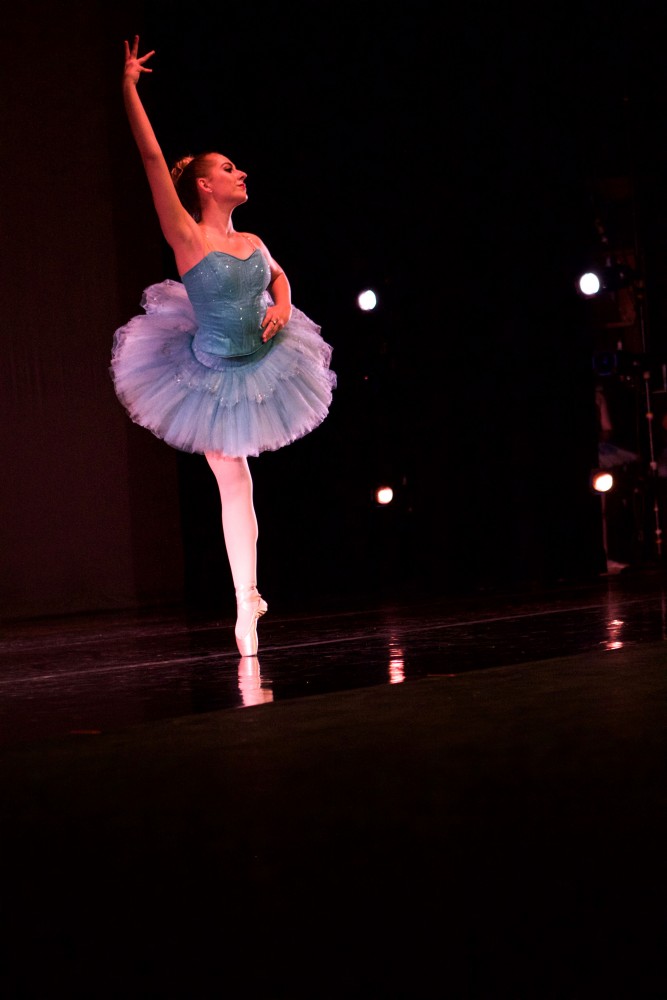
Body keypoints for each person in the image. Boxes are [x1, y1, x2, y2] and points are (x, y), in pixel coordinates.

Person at [111, 36, 336, 656]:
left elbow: (279, 275)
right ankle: (246, 602)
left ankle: (248, 597)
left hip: (267, 362)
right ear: (206, 187)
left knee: (243, 484)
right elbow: (155, 160)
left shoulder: (255, 240)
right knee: (232, 480)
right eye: (229, 168)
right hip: (209, 371)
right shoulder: (186, 237)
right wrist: (129, 87)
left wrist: (285, 303)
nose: (241, 174)